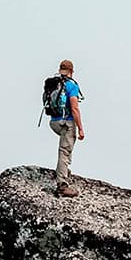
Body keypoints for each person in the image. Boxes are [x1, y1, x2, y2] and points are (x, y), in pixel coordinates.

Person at [50, 59, 84, 197]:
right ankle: (62, 185)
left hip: (54, 122)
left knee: (66, 146)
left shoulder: (54, 83)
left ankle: (64, 171)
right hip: (66, 122)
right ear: (71, 71)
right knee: (65, 150)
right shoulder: (71, 85)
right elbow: (74, 108)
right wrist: (80, 128)